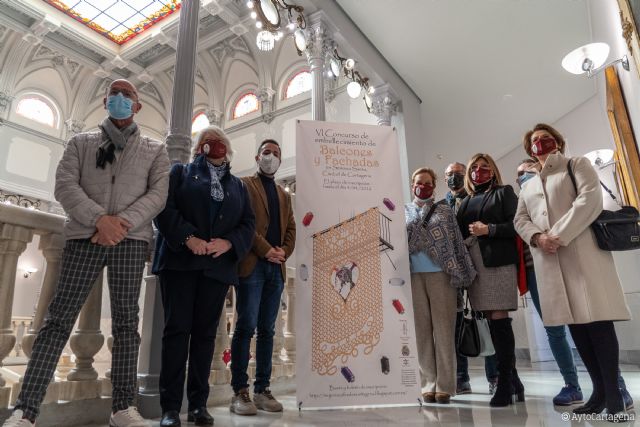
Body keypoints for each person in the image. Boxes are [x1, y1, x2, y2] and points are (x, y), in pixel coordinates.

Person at [3, 79, 170, 427]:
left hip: (130, 239)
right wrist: (99, 220)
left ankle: (122, 408)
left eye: (128, 95)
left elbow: (158, 194)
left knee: (127, 323)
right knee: (57, 320)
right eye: (115, 93)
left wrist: (120, 223)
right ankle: (26, 409)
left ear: (137, 106)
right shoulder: (81, 142)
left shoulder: (155, 149)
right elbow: (65, 185)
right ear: (106, 100)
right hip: (84, 236)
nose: (121, 98)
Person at [514, 123, 633, 418]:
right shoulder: (527, 185)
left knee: (598, 323)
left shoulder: (575, 164)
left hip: (583, 255)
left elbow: (589, 199)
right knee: (576, 327)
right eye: (535, 140)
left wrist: (557, 234)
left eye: (546, 138)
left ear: (557, 141)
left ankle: (615, 395)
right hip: (550, 261)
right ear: (530, 149)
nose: (540, 143)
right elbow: (520, 219)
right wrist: (538, 238)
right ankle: (599, 392)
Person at [152, 126, 255, 427]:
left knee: (205, 338)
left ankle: (198, 405)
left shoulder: (238, 186)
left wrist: (228, 243)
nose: (216, 145)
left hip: (217, 268)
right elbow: (164, 208)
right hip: (180, 263)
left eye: (221, 141)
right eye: (209, 141)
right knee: (176, 333)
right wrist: (188, 238)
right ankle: (170, 408)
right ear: (200, 147)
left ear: (228, 149)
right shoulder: (179, 173)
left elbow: (248, 224)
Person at [230, 139, 295, 415]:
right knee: (245, 327)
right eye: (266, 153)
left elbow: (291, 229)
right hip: (252, 264)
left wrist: (282, 253)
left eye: (276, 153)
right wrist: (266, 250)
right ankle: (240, 391)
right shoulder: (244, 184)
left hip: (275, 269)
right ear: (257, 157)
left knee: (268, 331)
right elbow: (242, 222)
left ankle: (262, 390)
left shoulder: (284, 194)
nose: (271, 157)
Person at [456, 153, 524, 407]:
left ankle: (505, 382)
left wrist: (490, 229)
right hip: (475, 268)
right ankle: (515, 381)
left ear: (493, 171)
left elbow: (518, 224)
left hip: (498, 264)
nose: (478, 172)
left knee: (499, 321)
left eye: (484, 168)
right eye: (474, 168)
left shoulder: (504, 192)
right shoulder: (465, 201)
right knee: (489, 322)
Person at [516, 158, 584, 406]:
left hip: (568, 262)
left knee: (587, 323)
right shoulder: (521, 200)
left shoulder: (560, 187)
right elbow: (519, 226)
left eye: (526, 171)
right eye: (518, 175)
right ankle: (572, 385)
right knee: (554, 330)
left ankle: (612, 382)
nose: (522, 176)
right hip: (537, 272)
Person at [405, 167, 476, 404]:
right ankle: (427, 384)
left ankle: (445, 385)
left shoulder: (444, 211)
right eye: (418, 182)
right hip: (414, 277)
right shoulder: (404, 211)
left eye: (427, 183)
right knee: (421, 333)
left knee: (444, 332)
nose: (422, 186)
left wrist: (460, 274)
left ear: (434, 186)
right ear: (411, 185)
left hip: (441, 276)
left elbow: (455, 243)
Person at [444, 162, 498, 395]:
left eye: (457, 174)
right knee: (457, 323)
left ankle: (494, 377)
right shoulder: (441, 205)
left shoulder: (476, 198)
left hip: (478, 265)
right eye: (448, 175)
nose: (453, 178)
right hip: (453, 271)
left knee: (485, 319)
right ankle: (461, 377)